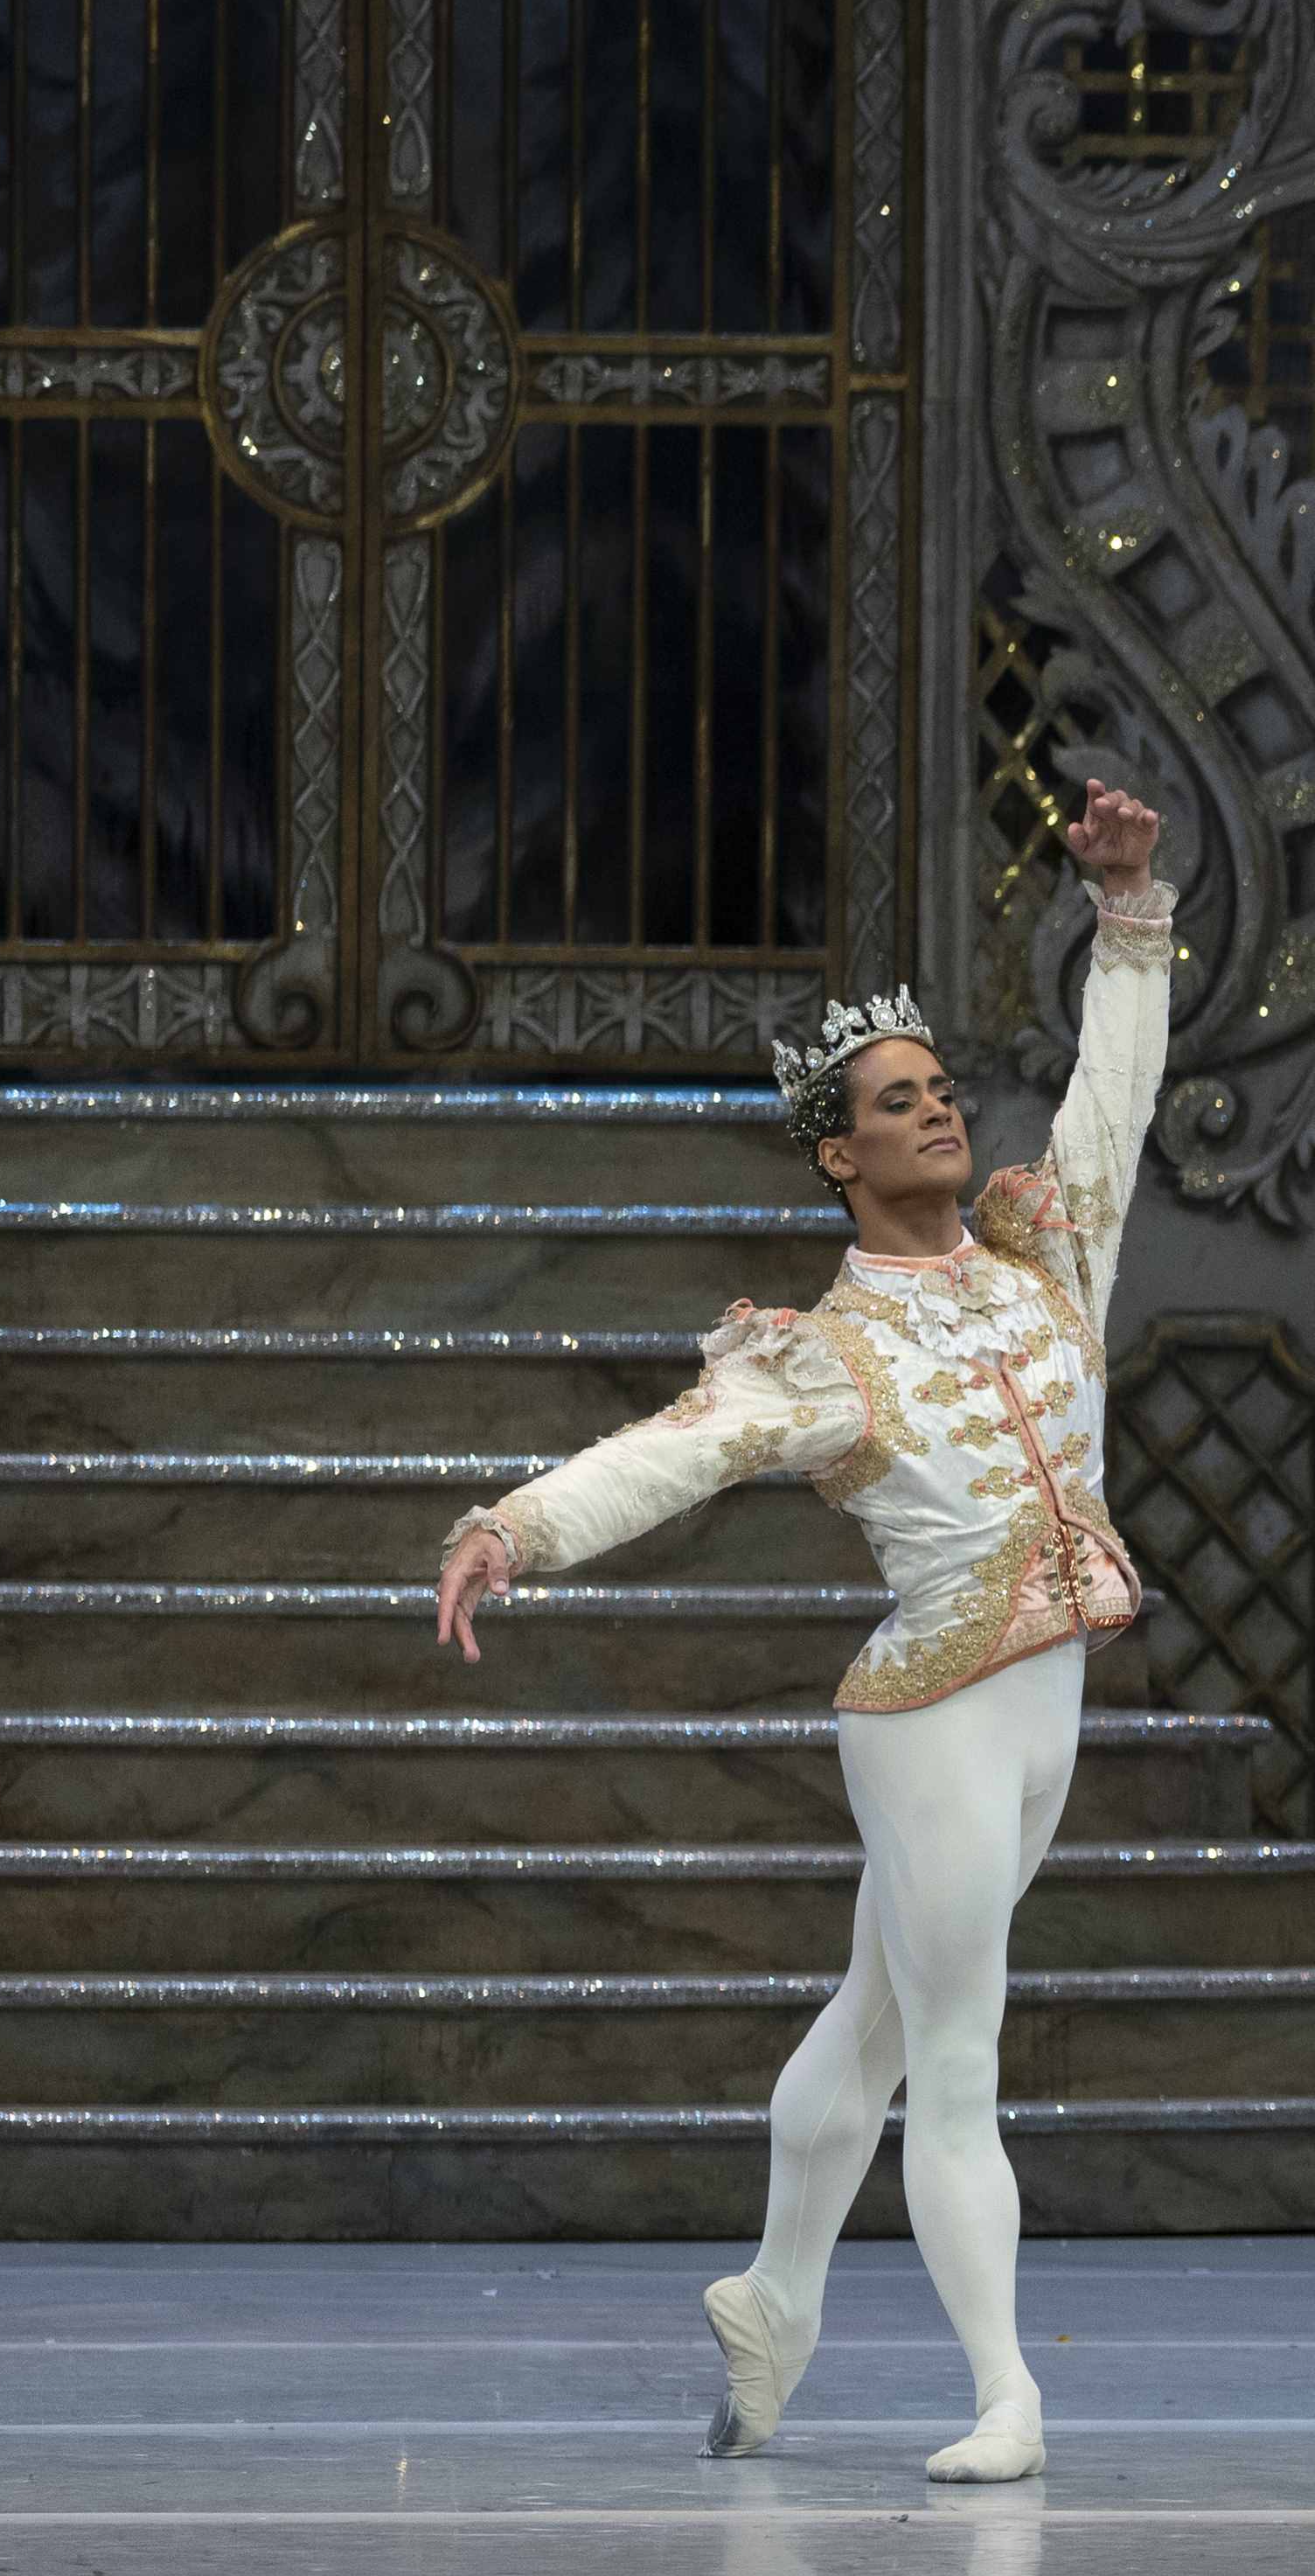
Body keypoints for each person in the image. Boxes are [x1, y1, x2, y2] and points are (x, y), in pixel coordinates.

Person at [428, 783, 1176, 2484]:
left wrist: (1128, 918)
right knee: (960, 2060)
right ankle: (1009, 2396)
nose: (936, 1117)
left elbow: (1114, 1097)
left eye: (939, 1092)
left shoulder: (1047, 1256)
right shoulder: (820, 1358)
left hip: (1045, 1707)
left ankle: (772, 2298)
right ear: (839, 1152)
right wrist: (515, 1526)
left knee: (873, 2030)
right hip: (935, 1725)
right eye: (897, 1105)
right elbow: (673, 1455)